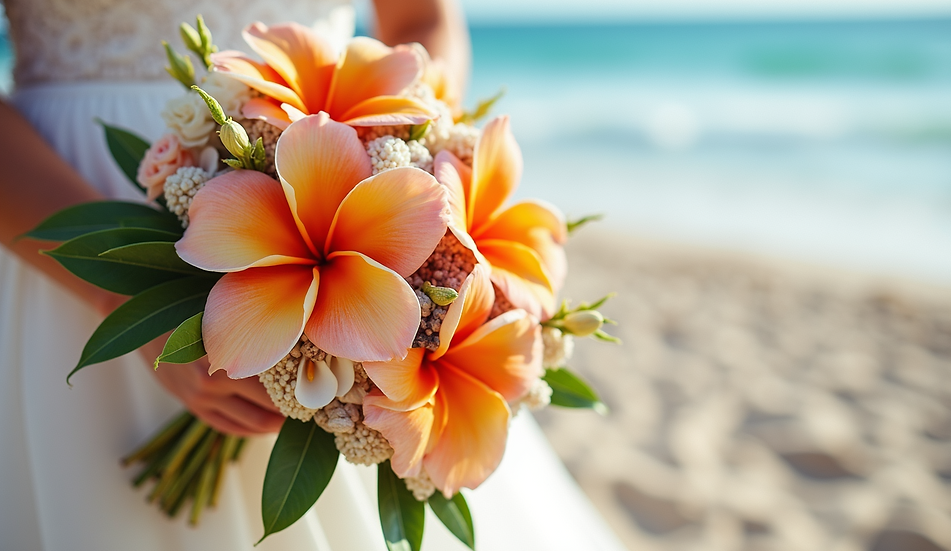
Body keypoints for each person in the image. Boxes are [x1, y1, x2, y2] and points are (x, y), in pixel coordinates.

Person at [0, 1, 627, 549]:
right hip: (55, 199)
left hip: (337, 144)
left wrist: (415, 153)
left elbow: (422, 18)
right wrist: (122, 300)